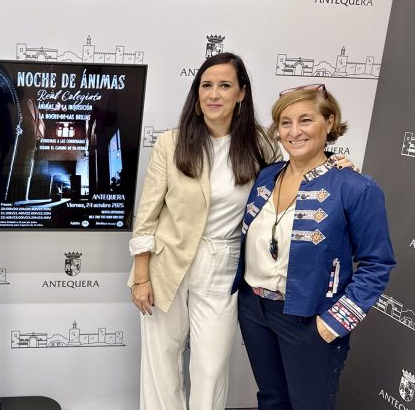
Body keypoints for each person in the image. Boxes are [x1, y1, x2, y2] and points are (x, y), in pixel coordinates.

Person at [127, 54, 354, 410]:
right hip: (165, 265)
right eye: (206, 85)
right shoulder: (172, 143)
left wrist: (336, 164)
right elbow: (147, 215)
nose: (213, 94)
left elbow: (299, 167)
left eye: (224, 85)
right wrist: (141, 276)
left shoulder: (261, 144)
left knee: (211, 368)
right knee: (161, 364)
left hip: (223, 264)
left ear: (241, 93)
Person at [233, 84, 395, 410]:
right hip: (254, 310)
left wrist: (335, 322)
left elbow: (377, 264)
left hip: (310, 319)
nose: (294, 132)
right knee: (271, 400)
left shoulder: (355, 186)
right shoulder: (266, 176)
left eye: (305, 120)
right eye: (285, 122)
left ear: (329, 122)